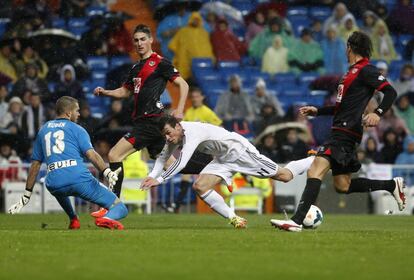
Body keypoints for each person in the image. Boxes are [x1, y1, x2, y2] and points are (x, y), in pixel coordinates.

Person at [271, 31, 406, 232]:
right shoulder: (350, 73)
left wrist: (377, 112)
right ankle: (391, 185)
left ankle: (297, 221)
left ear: (350, 47)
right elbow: (341, 108)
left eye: (346, 46)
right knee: (342, 185)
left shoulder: (365, 70)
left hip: (346, 132)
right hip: (344, 132)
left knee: (315, 168)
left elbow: (391, 91)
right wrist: (318, 111)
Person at [140, 115, 315, 228]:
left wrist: (160, 179)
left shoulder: (192, 132)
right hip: (222, 159)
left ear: (178, 126)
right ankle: (234, 218)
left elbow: (181, 162)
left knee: (284, 176)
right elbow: (163, 158)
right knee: (200, 186)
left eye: (169, 133)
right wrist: (151, 176)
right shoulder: (175, 136)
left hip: (240, 153)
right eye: (165, 135)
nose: (168, 138)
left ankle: (315, 158)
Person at [92, 24, 189, 217]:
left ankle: (112, 205)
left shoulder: (160, 62)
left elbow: (183, 84)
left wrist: (179, 109)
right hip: (148, 124)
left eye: (143, 39)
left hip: (151, 121)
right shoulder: (135, 67)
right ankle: (206, 174)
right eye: (136, 40)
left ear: (151, 40)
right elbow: (124, 91)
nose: (139, 43)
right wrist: (106, 92)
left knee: (114, 155)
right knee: (173, 165)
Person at [7, 96, 128, 230]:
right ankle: (106, 218)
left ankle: (74, 219)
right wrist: (107, 172)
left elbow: (35, 164)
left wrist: (27, 193)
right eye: (77, 110)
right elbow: (91, 154)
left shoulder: (44, 129)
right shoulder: (78, 129)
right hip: (79, 179)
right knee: (120, 207)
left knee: (59, 188)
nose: (79, 114)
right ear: (69, 113)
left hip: (54, 182)